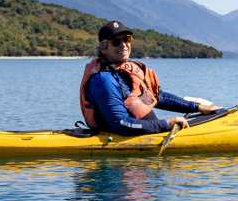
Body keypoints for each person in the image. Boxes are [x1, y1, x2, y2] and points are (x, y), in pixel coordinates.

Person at [79, 20, 219, 135]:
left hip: (145, 132)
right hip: (120, 140)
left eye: (126, 39)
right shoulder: (103, 79)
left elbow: (156, 96)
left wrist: (197, 107)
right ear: (104, 48)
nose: (124, 45)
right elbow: (120, 124)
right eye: (116, 41)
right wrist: (166, 124)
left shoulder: (126, 71)